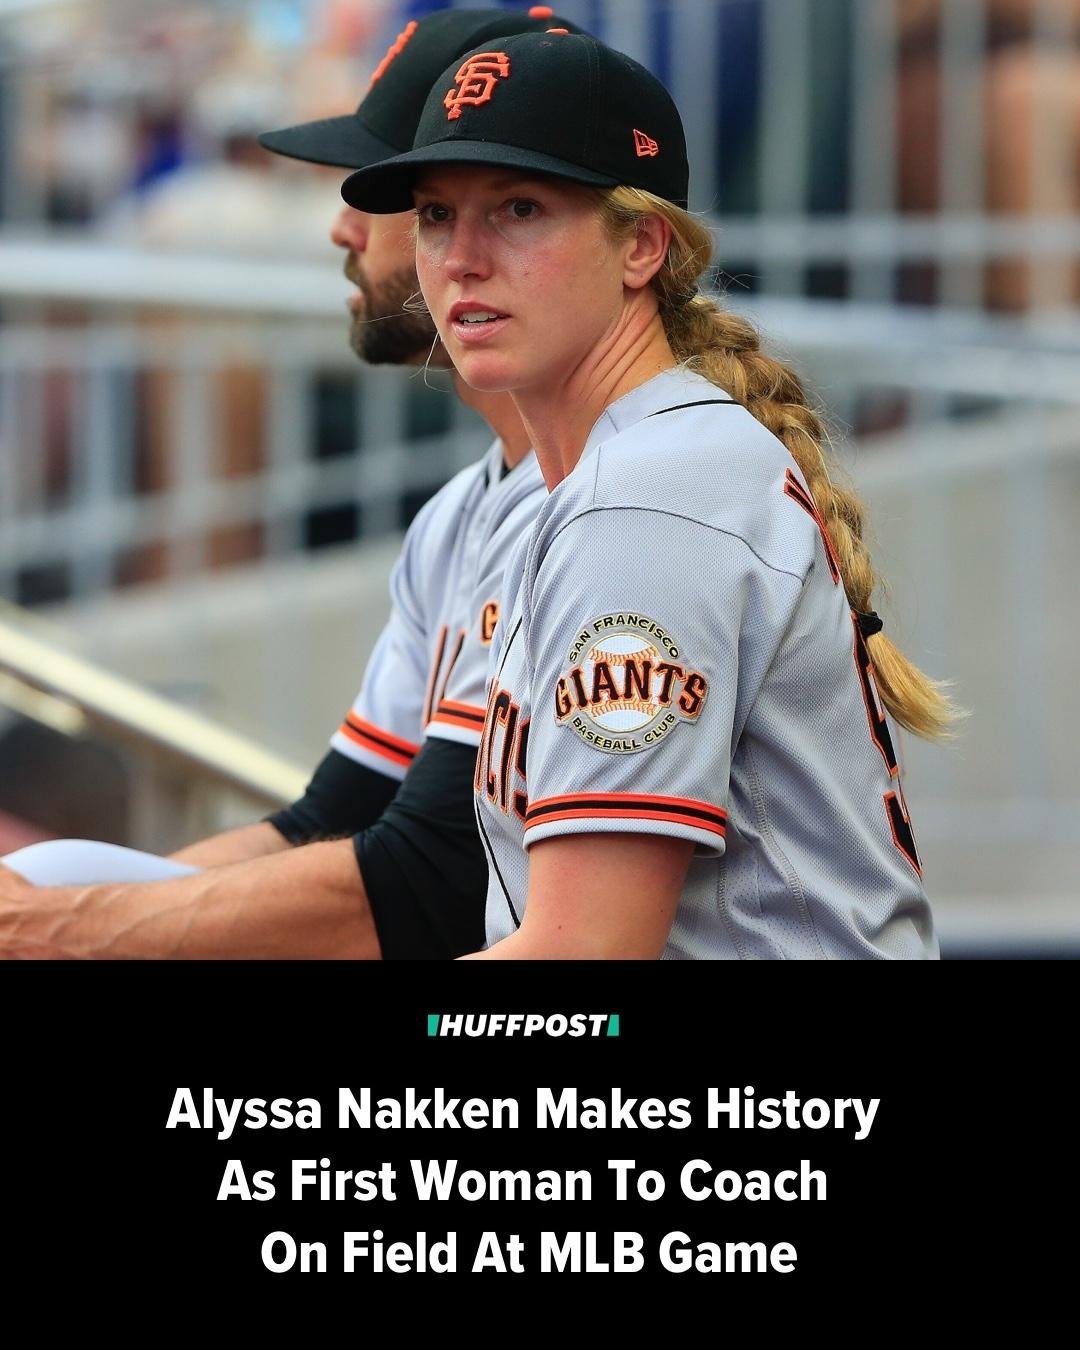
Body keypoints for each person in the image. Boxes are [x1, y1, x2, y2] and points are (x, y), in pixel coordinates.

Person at [341, 30, 957, 960]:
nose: (460, 258)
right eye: (434, 215)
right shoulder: (624, 471)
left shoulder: (645, 502)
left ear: (641, 245)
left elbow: (583, 956)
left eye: (517, 208)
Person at [0, 7, 584, 960]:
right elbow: (330, 820)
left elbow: (428, 877)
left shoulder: (633, 490)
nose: (341, 227)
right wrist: (57, 904)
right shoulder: (464, 510)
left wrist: (70, 926)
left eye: (394, 195)